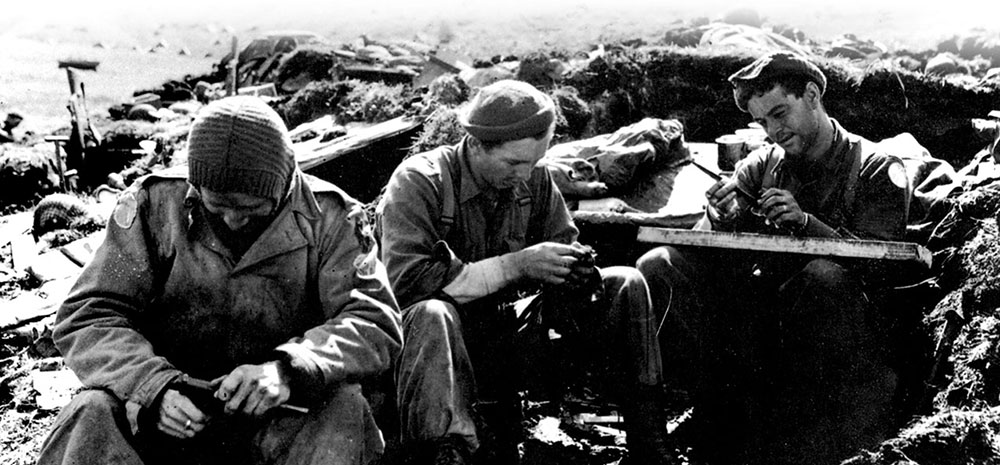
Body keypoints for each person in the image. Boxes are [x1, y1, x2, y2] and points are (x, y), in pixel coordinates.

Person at [36, 96, 403, 465]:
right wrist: (153, 387)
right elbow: (90, 314)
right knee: (92, 410)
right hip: (167, 417)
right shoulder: (156, 206)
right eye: (217, 206)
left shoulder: (332, 219)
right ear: (196, 186)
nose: (232, 221)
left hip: (283, 418)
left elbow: (373, 321)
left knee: (344, 409)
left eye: (251, 209)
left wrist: (290, 369)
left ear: (286, 183)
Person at [378, 80, 672, 465]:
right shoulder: (421, 181)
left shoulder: (533, 177)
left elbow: (564, 243)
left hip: (509, 338)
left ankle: (651, 442)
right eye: (513, 163)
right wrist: (517, 266)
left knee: (626, 284)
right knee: (432, 315)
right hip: (439, 356)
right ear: (477, 145)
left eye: (533, 162)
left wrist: (575, 270)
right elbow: (408, 286)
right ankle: (445, 453)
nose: (524, 174)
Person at [637, 52, 910, 464]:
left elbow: (884, 272)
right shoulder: (762, 164)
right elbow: (702, 248)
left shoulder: (874, 168)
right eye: (763, 122)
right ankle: (716, 403)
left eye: (780, 113)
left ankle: (801, 429)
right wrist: (721, 219)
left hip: (839, 352)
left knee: (823, 278)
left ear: (813, 95)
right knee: (658, 266)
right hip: (760, 335)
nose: (774, 131)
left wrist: (806, 224)